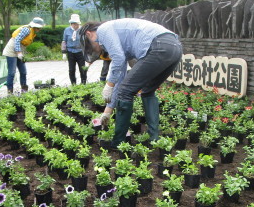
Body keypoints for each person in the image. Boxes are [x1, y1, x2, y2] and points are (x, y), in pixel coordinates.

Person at [79, 18, 182, 148]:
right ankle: (154, 139)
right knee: (147, 91)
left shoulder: (103, 30)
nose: (95, 49)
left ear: (89, 34)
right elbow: (121, 76)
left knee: (125, 93)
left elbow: (118, 59)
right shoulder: (117, 35)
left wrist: (108, 85)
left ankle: (118, 142)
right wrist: (108, 110)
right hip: (175, 47)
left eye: (91, 45)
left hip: (158, 47)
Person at [2, 17, 45, 94]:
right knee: (12, 72)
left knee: (23, 72)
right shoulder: (27, 29)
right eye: (39, 27)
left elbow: (23, 43)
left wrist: (22, 53)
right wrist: (18, 52)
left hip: (20, 52)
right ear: (35, 26)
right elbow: (17, 40)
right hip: (11, 51)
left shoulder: (33, 32)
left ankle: (24, 90)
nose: (40, 29)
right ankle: (10, 91)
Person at [61, 14, 87, 85]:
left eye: (77, 24)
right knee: (71, 70)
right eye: (74, 24)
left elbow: (85, 41)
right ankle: (73, 84)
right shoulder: (67, 30)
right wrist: (64, 52)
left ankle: (83, 83)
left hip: (80, 52)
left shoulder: (82, 30)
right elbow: (64, 41)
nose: (75, 26)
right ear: (71, 24)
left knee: (82, 69)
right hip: (70, 52)